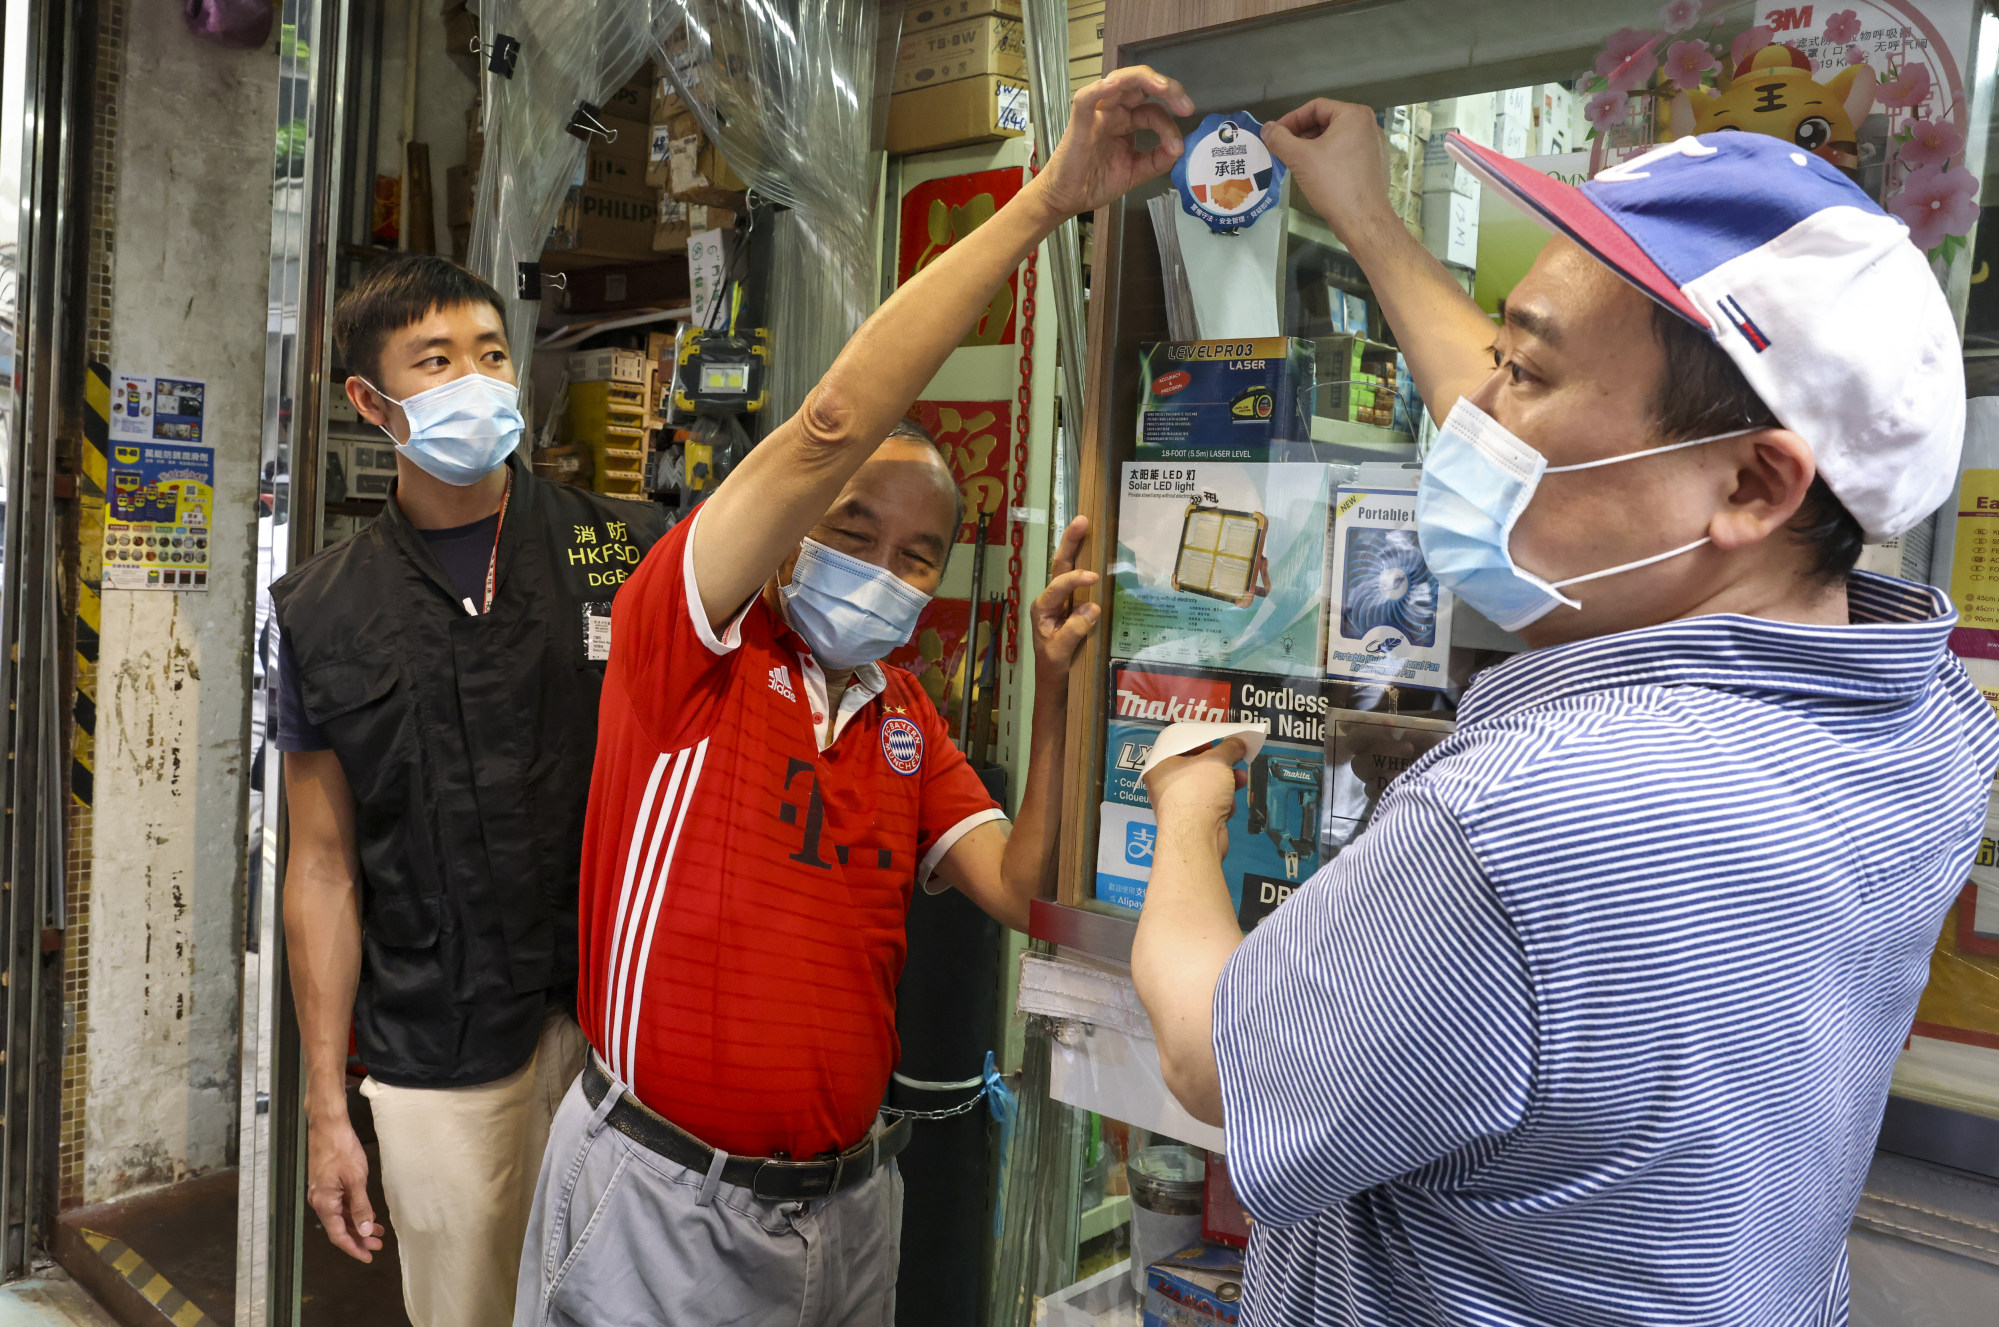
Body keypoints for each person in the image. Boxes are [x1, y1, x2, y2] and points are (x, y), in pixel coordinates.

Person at [1132, 105, 1999, 1324]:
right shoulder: (1929, 715)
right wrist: (1368, 218)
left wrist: (1183, 804)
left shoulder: (1530, 819)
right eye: (1498, 354)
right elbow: (1567, 447)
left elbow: (1210, 1057)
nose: (1477, 415)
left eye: (1523, 371)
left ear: (1755, 483)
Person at [512, 67, 1196, 1327]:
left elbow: (1022, 885)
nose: (885, 570)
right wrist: (1047, 201)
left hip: (848, 1216)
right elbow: (831, 421)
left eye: (918, 555)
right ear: (782, 537)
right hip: (664, 1205)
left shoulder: (899, 716)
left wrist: (1053, 697)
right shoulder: (690, 636)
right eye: (851, 530)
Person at [271, 254, 672, 1327]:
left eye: (491, 354)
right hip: (437, 1053)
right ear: (370, 399)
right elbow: (319, 867)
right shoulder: (321, 610)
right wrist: (325, 1106)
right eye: (436, 361)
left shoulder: (625, 546)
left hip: (625, 1042)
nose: (477, 381)